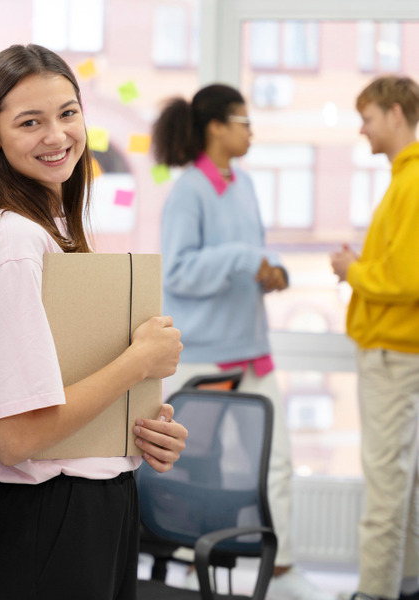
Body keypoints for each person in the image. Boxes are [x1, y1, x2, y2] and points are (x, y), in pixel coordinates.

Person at [0, 44, 187, 600]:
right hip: (51, 524)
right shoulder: (15, 242)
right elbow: (15, 437)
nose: (57, 136)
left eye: (67, 113)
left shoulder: (55, 226)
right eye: (29, 122)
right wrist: (136, 364)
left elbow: (61, 394)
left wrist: (137, 432)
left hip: (90, 513)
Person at [152, 84, 333, 600]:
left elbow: (249, 254)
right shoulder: (189, 191)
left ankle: (281, 567)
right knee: (190, 466)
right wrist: (241, 259)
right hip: (205, 355)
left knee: (275, 461)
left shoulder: (247, 185)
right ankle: (188, 563)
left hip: (252, 348)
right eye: (243, 120)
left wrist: (268, 272)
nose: (251, 130)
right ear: (216, 127)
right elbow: (180, 271)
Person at [331, 75, 419, 600]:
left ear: (393, 112)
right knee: (401, 486)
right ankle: (404, 586)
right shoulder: (402, 178)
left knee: (386, 487)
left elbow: (407, 280)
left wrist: (352, 270)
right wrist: (365, 268)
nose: (363, 130)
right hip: (396, 350)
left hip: (393, 351)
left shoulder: (411, 181)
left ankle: (374, 594)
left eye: (367, 118)